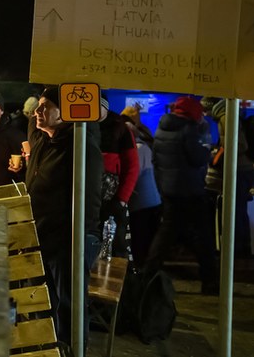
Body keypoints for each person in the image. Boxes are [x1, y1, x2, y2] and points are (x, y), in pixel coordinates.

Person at [25, 86, 103, 350]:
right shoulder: (44, 142)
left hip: (69, 238)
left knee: (69, 304)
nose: (37, 111)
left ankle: (71, 349)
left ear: (65, 113)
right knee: (44, 300)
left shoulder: (80, 147)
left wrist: (76, 237)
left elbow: (88, 200)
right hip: (42, 234)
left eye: (45, 106)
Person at [145, 95, 218, 295]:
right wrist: (204, 134)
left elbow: (156, 161)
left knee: (165, 234)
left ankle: (147, 276)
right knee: (203, 236)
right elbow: (199, 158)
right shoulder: (192, 129)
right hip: (192, 190)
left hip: (169, 191)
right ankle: (210, 282)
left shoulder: (161, 128)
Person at [204, 98, 254, 261]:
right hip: (243, 169)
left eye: (205, 110)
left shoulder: (226, 116)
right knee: (237, 208)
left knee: (235, 209)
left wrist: (216, 159)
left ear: (211, 107)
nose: (205, 114)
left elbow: (237, 144)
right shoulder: (226, 114)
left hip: (238, 170)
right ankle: (241, 246)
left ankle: (237, 249)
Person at [98, 96, 139, 259]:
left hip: (112, 201)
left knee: (115, 247)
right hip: (88, 200)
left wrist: (122, 199)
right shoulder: (80, 125)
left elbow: (132, 166)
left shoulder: (118, 127)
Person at [122, 109, 161, 267]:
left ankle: (144, 273)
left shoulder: (139, 149)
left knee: (142, 240)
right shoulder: (141, 147)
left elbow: (133, 175)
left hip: (144, 203)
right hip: (146, 202)